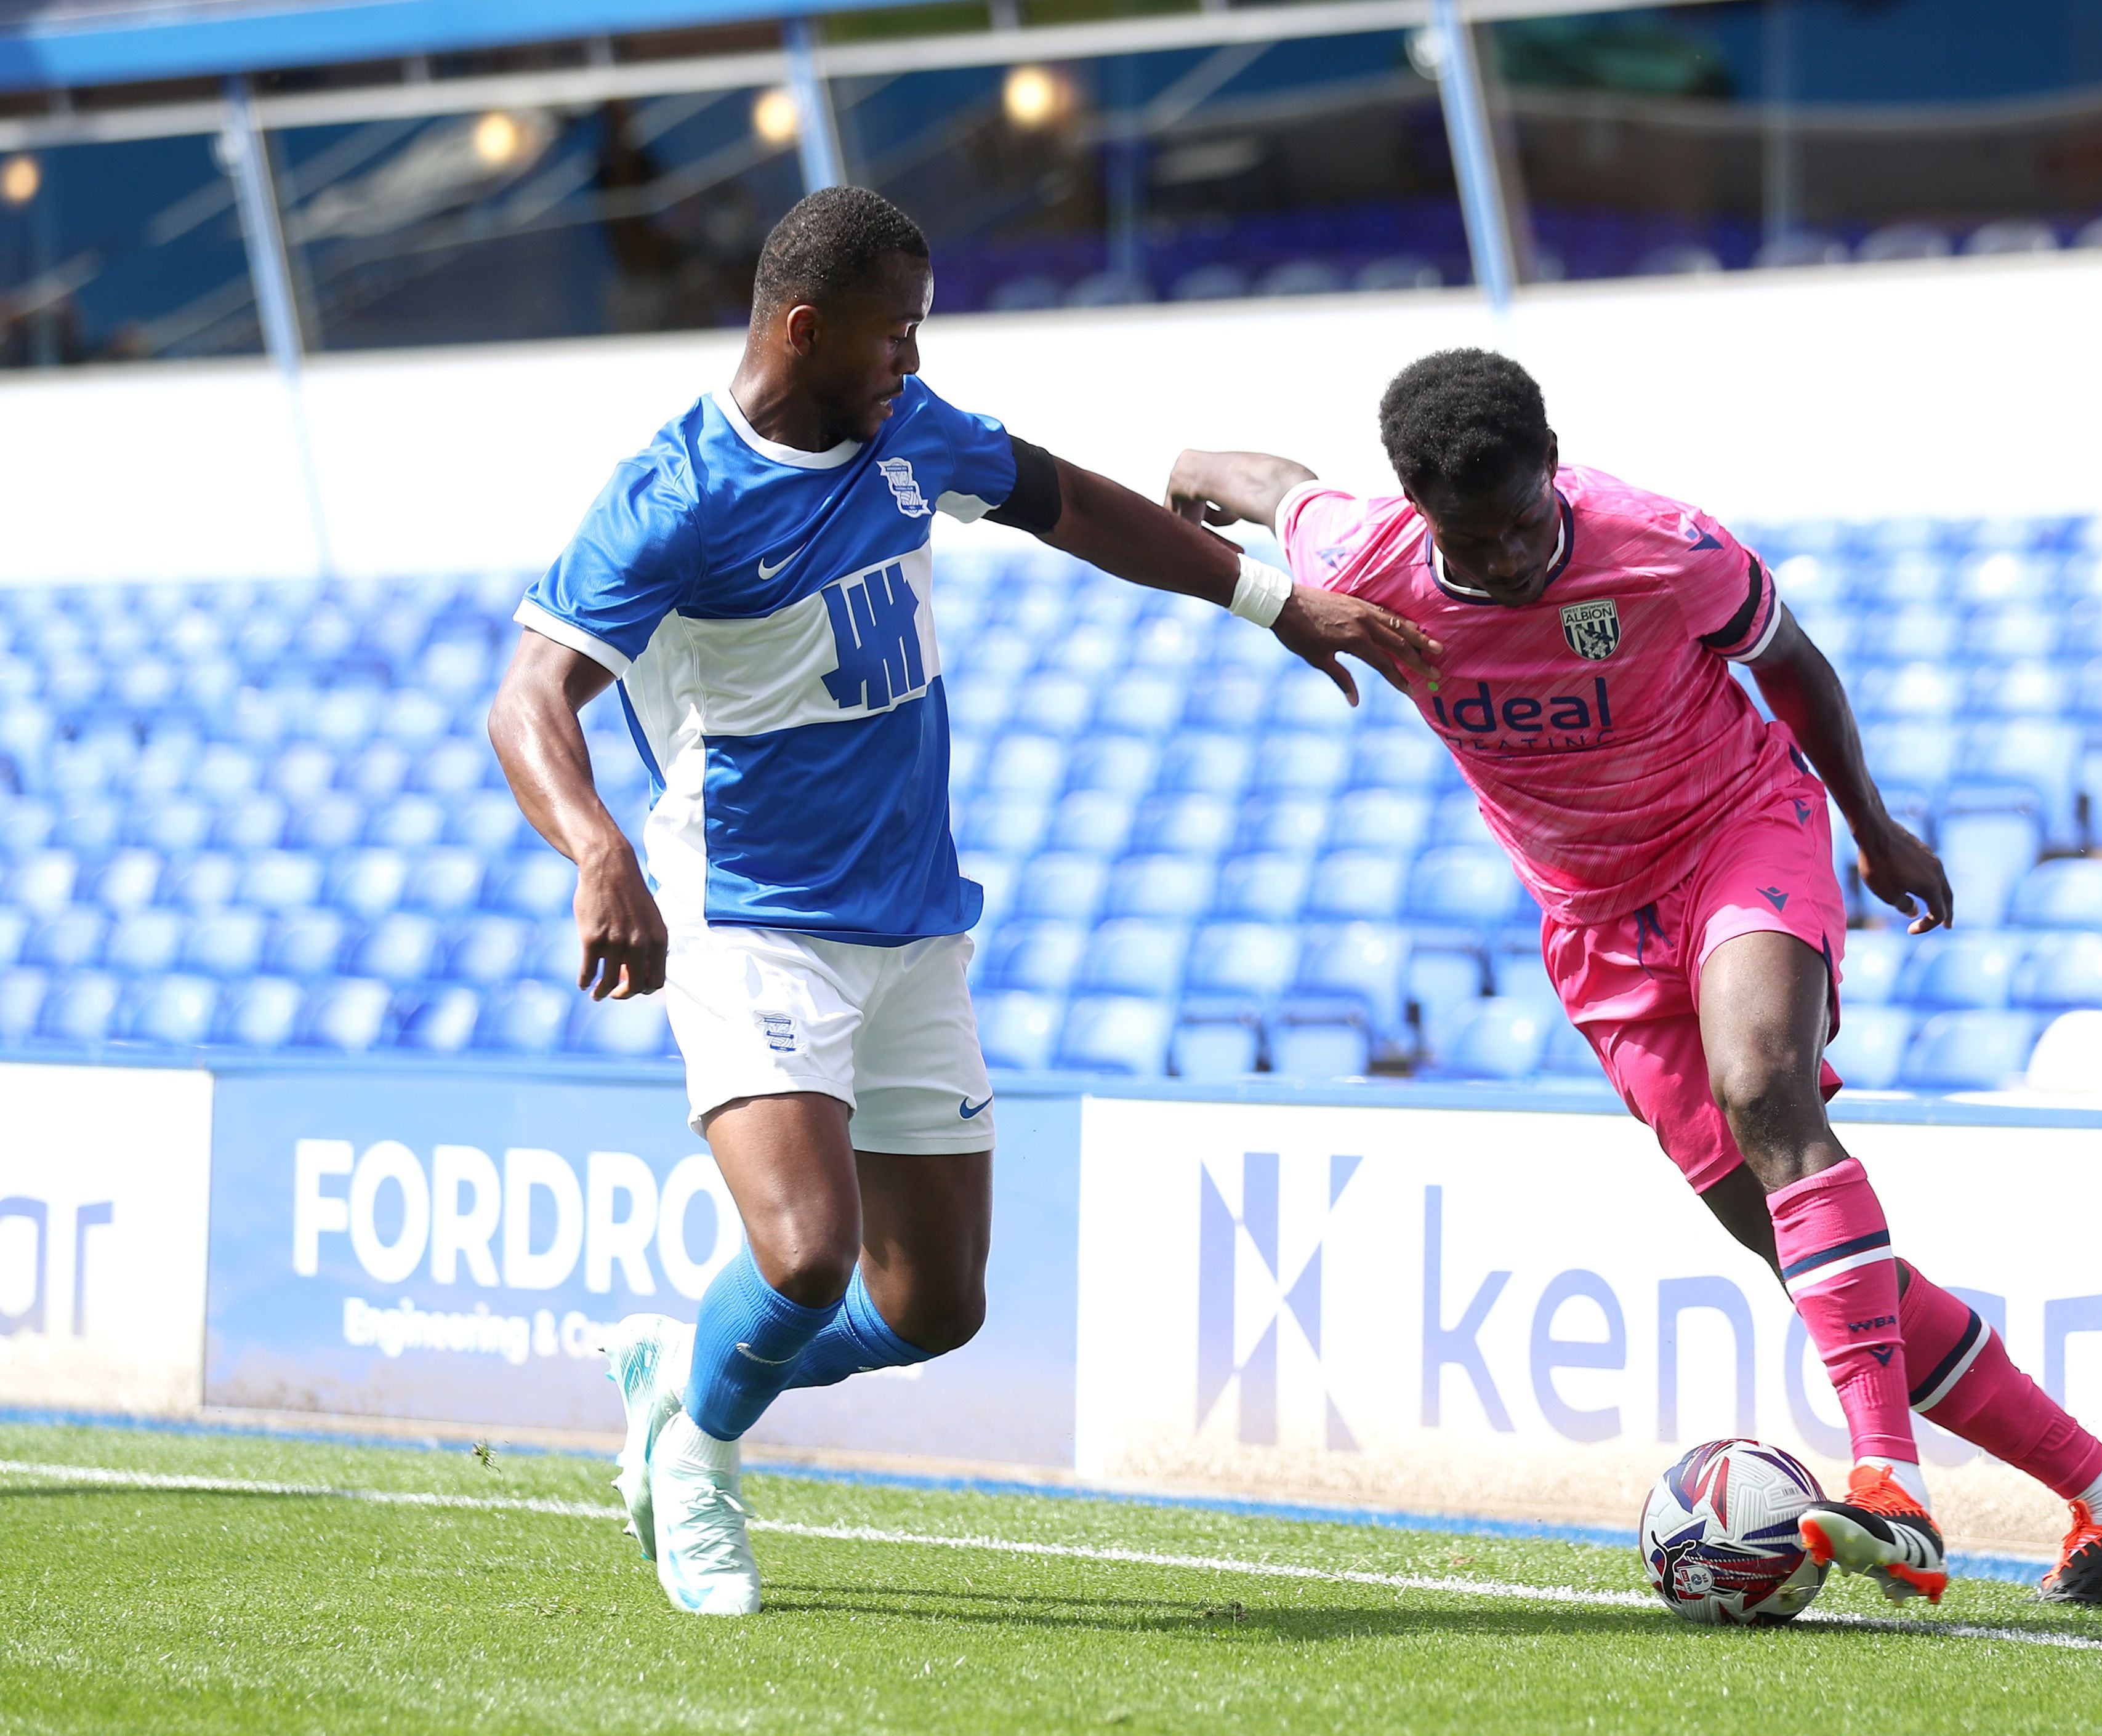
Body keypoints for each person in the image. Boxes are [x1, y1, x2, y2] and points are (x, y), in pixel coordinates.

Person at [489, 187, 1438, 1617]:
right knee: (806, 1259)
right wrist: (599, 854)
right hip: (752, 919)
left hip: (917, 924)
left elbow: (1073, 507)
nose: (915, 364)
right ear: (805, 330)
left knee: (935, 1306)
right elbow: (527, 701)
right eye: (896, 333)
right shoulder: (673, 499)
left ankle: (675, 1377)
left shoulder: (909, 436)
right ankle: (696, 1460)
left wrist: (1274, 602)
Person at [1164, 347, 2102, 1608]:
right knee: (1799, 1253)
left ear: (1556, 470)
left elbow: (1792, 661)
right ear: (1419, 512)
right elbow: (1265, 483)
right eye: (1469, 542)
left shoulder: (1661, 545)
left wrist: (1868, 823)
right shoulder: (1364, 554)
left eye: (1524, 524)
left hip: (1737, 834)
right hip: (1594, 919)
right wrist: (1184, 478)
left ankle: (1890, 1481)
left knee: (1767, 1090)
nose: (1501, 561)